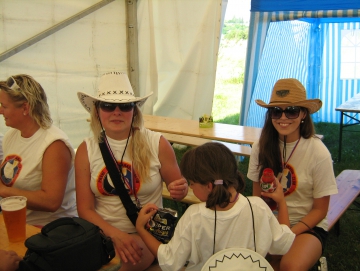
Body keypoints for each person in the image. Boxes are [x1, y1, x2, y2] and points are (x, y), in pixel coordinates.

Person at [75, 71, 188, 271]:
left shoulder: (157, 143)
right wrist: (115, 235)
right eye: (108, 106)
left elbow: (178, 190)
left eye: (125, 106)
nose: (116, 112)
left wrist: (180, 189)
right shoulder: (86, 149)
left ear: (134, 111)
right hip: (102, 234)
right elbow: (85, 209)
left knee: (120, 268)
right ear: (97, 111)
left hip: (146, 233)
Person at [136, 142, 295, 271]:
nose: (190, 187)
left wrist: (141, 229)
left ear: (209, 186)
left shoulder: (194, 216)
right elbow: (283, 243)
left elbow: (170, 261)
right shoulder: (258, 207)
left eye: (192, 183)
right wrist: (281, 202)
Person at [247, 78, 338, 271]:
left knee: (289, 267)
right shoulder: (260, 147)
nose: (283, 117)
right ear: (270, 114)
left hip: (306, 225)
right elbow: (257, 197)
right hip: (269, 220)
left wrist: (287, 233)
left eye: (292, 110)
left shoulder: (318, 152)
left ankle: (312, 260)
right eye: (276, 111)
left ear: (303, 114)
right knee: (252, 263)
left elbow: (320, 210)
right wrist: (269, 230)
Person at [0, 75, 77, 226]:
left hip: (49, 230)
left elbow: (51, 201)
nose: (1, 111)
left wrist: (3, 191)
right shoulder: (11, 136)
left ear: (25, 108)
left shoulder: (54, 144)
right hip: (17, 223)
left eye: (4, 106)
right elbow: (9, 177)